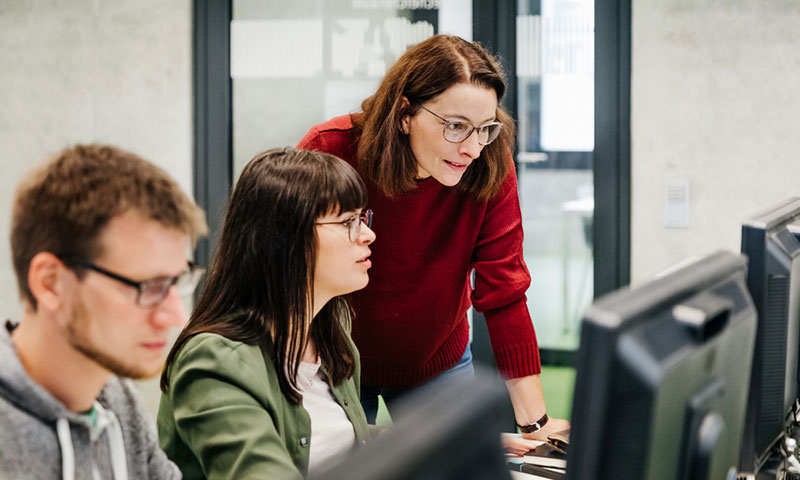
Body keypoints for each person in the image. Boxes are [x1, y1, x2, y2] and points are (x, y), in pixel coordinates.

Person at [297, 34, 569, 445]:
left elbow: (505, 292)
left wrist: (536, 424)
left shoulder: (490, 163)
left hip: (438, 359)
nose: (473, 148)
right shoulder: (331, 151)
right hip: (336, 362)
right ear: (405, 113)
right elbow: (287, 273)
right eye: (456, 127)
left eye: (484, 129)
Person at [158, 147, 376, 479]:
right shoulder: (213, 361)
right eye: (348, 222)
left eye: (362, 218)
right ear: (287, 240)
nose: (368, 234)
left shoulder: (332, 330)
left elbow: (334, 440)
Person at [0, 144, 207, 479]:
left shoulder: (116, 400)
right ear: (51, 283)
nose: (175, 316)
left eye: (176, 281)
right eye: (148, 286)